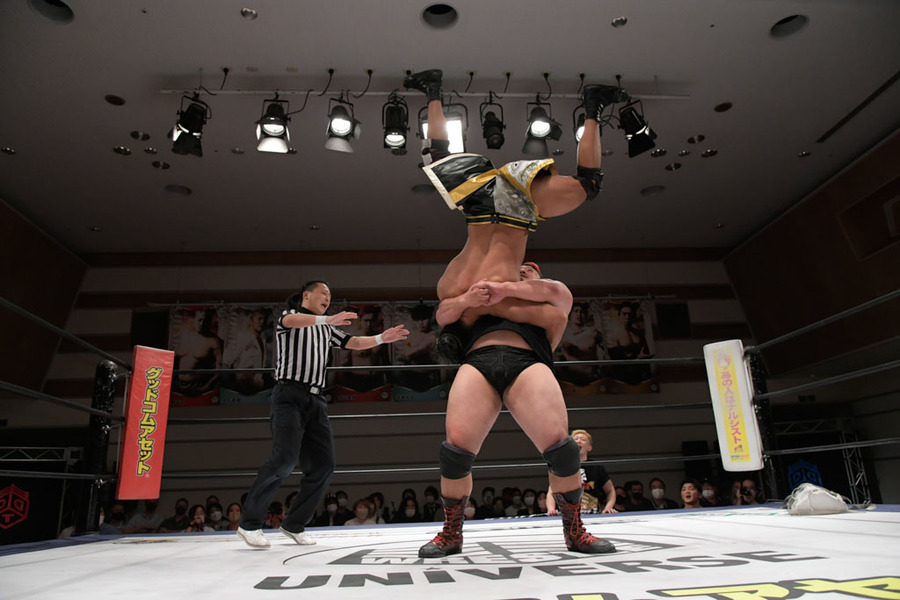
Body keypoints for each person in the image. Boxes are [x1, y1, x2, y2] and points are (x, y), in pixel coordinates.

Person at [404, 68, 627, 353]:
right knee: (438, 156)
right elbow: (443, 315)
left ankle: (594, 104)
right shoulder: (447, 288)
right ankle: (432, 88)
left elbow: (554, 318)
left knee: (589, 184)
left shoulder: (496, 302)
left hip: (516, 208)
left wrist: (543, 355)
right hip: (478, 204)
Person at [416, 263, 615, 557]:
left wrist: (492, 296)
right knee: (455, 452)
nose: (522, 269)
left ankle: (574, 531)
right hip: (478, 360)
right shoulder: (482, 295)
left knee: (563, 449)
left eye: (529, 269)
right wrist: (470, 299)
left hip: (528, 360)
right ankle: (451, 533)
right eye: (517, 267)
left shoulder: (552, 294)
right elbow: (443, 314)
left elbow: (554, 295)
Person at [237, 281, 408, 549]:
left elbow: (352, 342)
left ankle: (294, 524)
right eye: (324, 293)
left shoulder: (326, 328)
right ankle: (249, 524)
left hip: (316, 400)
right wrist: (327, 319)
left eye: (330, 294)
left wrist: (380, 339)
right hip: (289, 396)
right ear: (307, 295)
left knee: (324, 465)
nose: (328, 297)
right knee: (283, 460)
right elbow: (292, 321)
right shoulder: (290, 316)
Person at [548, 428, 616, 514]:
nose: (578, 441)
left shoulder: (596, 466)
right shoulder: (563, 466)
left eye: (583, 439)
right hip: (568, 514)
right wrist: (551, 509)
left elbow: (610, 491)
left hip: (592, 513)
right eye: (575, 439)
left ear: (589, 447)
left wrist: (608, 508)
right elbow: (551, 492)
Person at [173, 308, 224, 396]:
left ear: (209, 322)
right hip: (178, 385)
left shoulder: (214, 342)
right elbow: (173, 359)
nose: (202, 324)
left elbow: (221, 368)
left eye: (205, 321)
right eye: (199, 320)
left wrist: (207, 386)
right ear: (194, 319)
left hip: (199, 385)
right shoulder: (184, 335)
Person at [223, 307, 270, 395]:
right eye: (259, 319)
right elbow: (227, 359)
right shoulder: (242, 337)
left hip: (258, 384)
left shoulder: (262, 341)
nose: (262, 322)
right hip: (243, 383)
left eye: (264, 319)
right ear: (251, 320)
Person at [605, 301, 654, 385]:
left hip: (640, 375)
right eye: (624, 314)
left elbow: (645, 352)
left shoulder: (638, 333)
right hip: (623, 377)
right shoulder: (614, 335)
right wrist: (637, 359)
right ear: (619, 315)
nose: (627, 317)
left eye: (630, 314)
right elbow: (615, 361)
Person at [556, 302, 605, 385]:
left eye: (582, 312)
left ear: (585, 315)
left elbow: (605, 351)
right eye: (576, 311)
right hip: (569, 380)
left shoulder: (592, 333)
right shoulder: (562, 334)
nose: (579, 314)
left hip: (591, 379)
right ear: (570, 315)